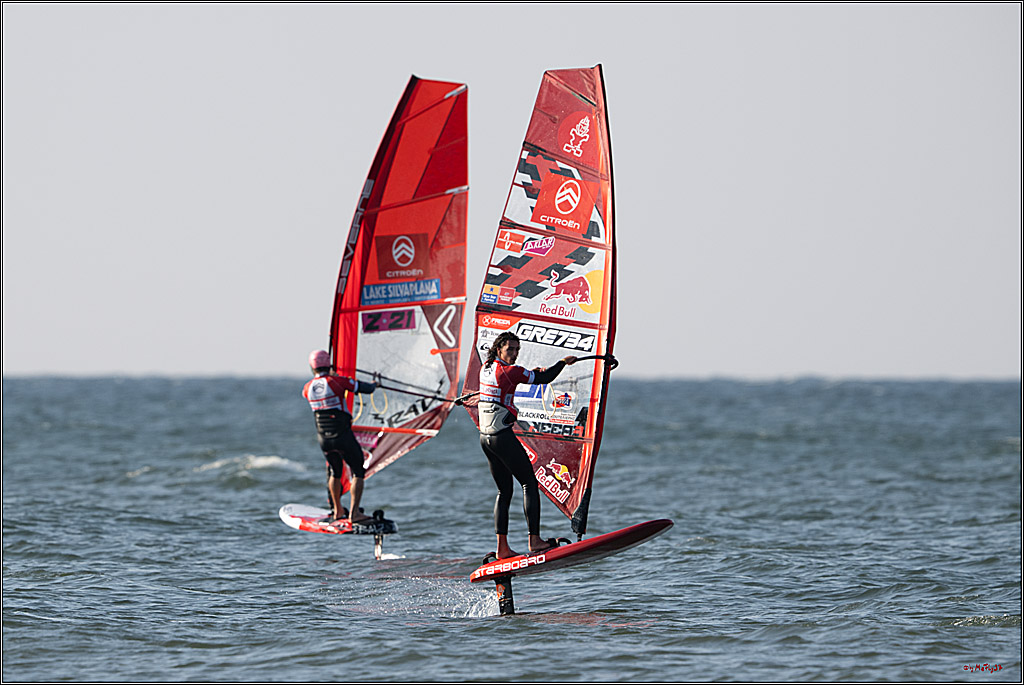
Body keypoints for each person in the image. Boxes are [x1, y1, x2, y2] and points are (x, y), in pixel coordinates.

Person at [477, 331, 576, 559]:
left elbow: (508, 384)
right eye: (510, 349)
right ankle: (535, 540)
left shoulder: (487, 367)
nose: (514, 354)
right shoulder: (511, 371)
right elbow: (544, 379)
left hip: (486, 439)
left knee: (504, 491)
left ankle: (503, 547)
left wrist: (530, 374)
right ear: (499, 348)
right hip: (501, 437)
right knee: (529, 483)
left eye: (517, 350)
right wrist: (562, 363)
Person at [302, 349, 377, 525]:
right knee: (358, 470)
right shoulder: (336, 381)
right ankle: (354, 514)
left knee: (335, 472)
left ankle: (337, 511)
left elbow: (319, 390)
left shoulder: (307, 388)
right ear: (329, 364)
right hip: (342, 436)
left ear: (312, 368)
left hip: (324, 440)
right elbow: (367, 389)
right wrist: (375, 383)